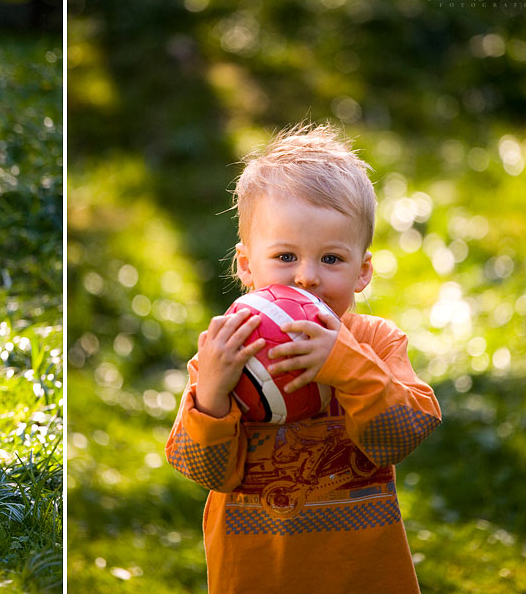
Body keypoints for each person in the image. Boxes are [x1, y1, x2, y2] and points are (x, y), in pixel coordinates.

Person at [166, 123, 441, 593]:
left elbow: (400, 437)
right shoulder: (227, 352)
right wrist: (211, 393)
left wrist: (345, 364)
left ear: (363, 271)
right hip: (256, 577)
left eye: (331, 259)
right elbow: (205, 470)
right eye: (286, 256)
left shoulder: (375, 341)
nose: (307, 278)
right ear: (247, 265)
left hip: (364, 576)